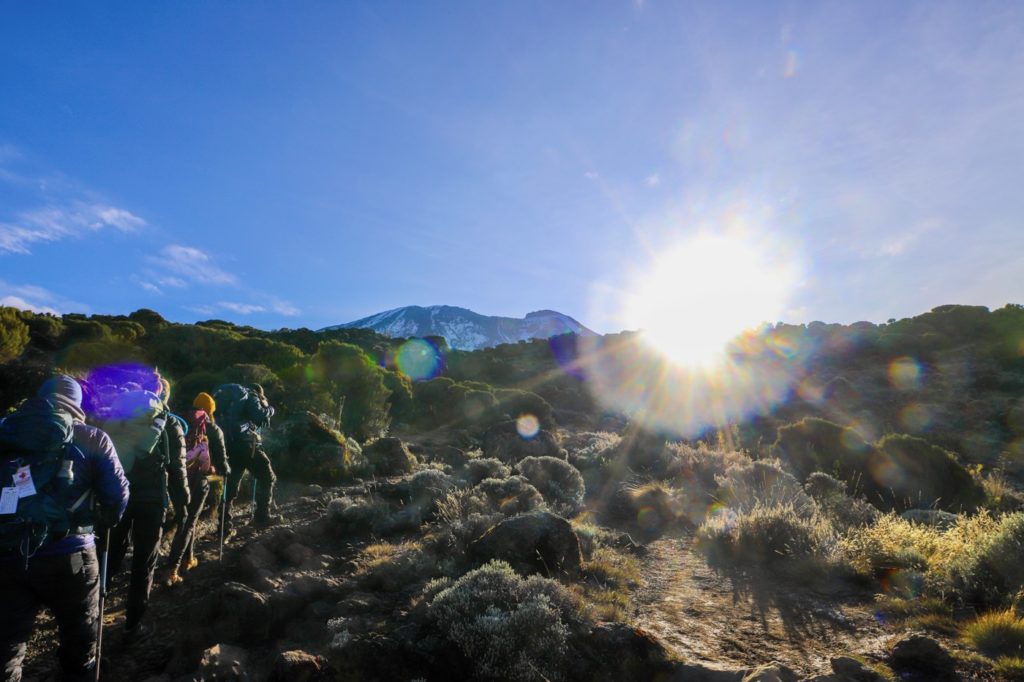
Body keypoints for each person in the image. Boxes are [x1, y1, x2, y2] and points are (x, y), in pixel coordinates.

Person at [0, 375, 130, 682]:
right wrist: (101, 521)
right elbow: (118, 496)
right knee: (80, 641)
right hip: (70, 555)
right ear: (77, 403)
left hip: (7, 554)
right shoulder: (92, 437)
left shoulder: (6, 430)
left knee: (6, 647)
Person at [103, 387, 188, 638]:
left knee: (109, 555)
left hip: (117, 497)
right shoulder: (169, 422)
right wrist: (183, 504)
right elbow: (177, 468)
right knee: (144, 562)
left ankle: (92, 615)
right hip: (150, 501)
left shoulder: (117, 417)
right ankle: (133, 625)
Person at [163, 391, 229, 585]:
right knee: (189, 521)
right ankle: (171, 570)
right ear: (210, 410)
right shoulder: (212, 429)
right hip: (198, 479)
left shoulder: (179, 420)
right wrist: (223, 471)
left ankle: (188, 558)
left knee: (183, 517)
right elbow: (223, 463)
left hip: (175, 478)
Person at [217, 383, 278, 535]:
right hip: (247, 446)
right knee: (267, 477)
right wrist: (270, 409)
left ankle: (224, 526)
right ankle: (262, 517)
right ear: (260, 393)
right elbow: (259, 416)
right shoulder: (252, 395)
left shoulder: (230, 399)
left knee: (230, 486)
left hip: (229, 446)